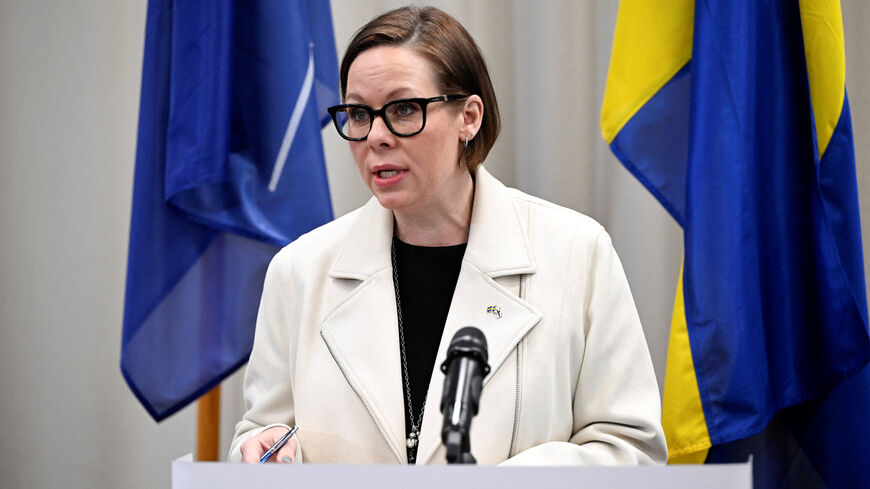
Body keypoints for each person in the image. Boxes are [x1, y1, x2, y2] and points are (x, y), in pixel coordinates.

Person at [229, 5, 667, 465]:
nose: (375, 136)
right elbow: (262, 429)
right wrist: (265, 446)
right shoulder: (299, 271)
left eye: (402, 109)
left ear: (469, 118)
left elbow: (631, 449)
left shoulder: (577, 253)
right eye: (358, 113)